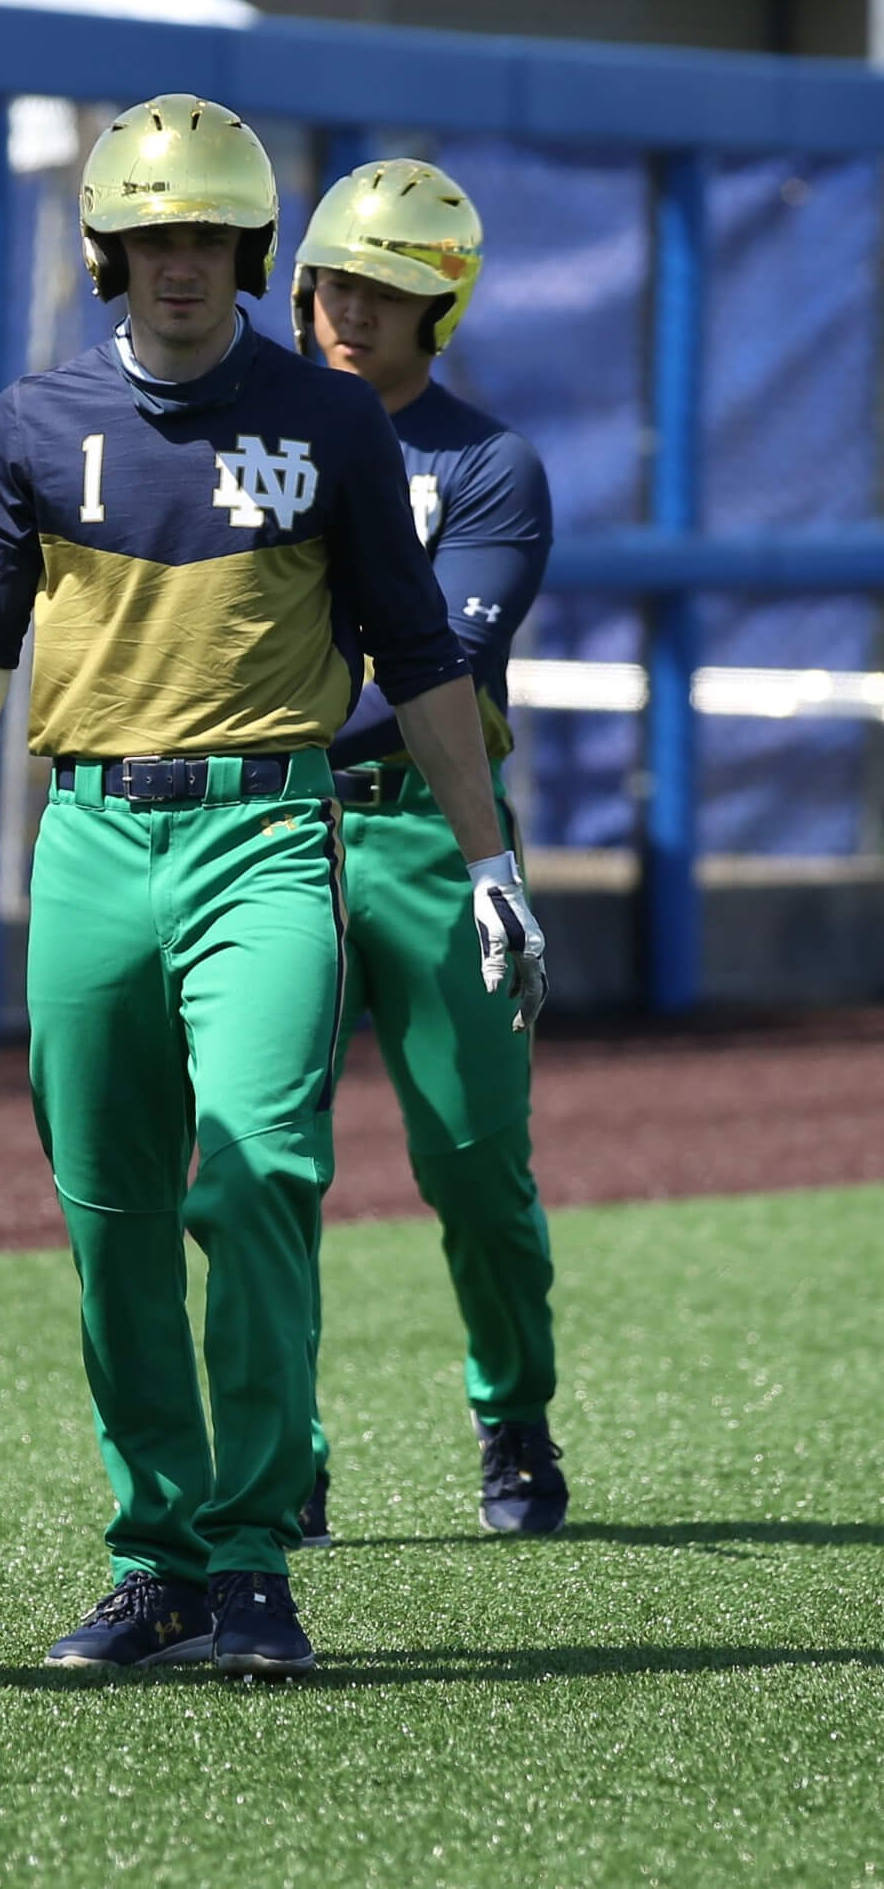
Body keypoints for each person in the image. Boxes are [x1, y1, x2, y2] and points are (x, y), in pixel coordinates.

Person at [0, 96, 546, 1681]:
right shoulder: (32, 425)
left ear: (252, 253)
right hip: (92, 841)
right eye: (153, 237)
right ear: (110, 249)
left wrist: (489, 856)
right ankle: (155, 1554)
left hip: (268, 833)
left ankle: (252, 1556)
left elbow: (422, 651)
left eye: (210, 239)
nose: (181, 266)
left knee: (253, 1175)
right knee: (109, 1216)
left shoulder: (332, 423)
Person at [289, 158, 565, 1543]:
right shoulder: (252, 437)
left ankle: (513, 1411)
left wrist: (238, 704)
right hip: (273, 829)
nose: (355, 311)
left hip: (428, 835)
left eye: (391, 291)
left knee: (471, 1161)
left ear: (438, 306)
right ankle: (291, 1450)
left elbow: (438, 661)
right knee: (261, 1160)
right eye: (338, 278)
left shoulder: (488, 464)